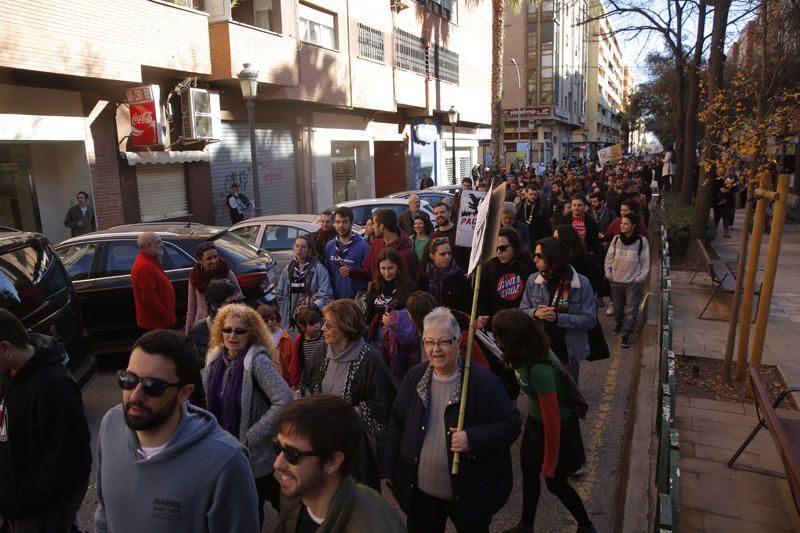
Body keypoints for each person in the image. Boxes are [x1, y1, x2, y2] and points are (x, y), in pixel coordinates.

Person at [95, 329, 260, 532]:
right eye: (128, 379)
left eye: (152, 386)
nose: (135, 396)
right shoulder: (111, 424)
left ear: (184, 393)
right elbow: (105, 514)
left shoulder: (226, 462)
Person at [384, 307, 521, 533]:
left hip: (469, 496)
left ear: (458, 343)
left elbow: (512, 423)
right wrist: (390, 469)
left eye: (443, 342)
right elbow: (397, 421)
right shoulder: (415, 376)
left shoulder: (482, 383)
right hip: (421, 496)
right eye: (429, 342)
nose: (435, 350)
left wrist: (473, 438)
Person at [493, 310, 596, 533]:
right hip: (535, 424)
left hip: (558, 429)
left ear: (511, 338)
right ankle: (526, 525)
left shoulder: (540, 369)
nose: (496, 340)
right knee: (529, 475)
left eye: (498, 335)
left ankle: (586, 525)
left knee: (555, 483)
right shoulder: (523, 353)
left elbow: (553, 419)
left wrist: (550, 461)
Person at [0, 310, 91, 533]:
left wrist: (18, 501)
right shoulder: (7, 374)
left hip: (38, 516)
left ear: (5, 349)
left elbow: (71, 465)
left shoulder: (54, 388)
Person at [202, 303, 293, 527]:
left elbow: (285, 398)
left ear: (251, 333)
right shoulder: (214, 361)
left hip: (252, 455)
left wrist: (254, 436)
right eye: (227, 329)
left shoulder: (257, 362)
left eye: (239, 331)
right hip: (222, 452)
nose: (232, 336)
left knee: (252, 510)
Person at [300, 299, 396, 490]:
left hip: (355, 453)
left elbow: (385, 406)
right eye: (323, 322)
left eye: (329, 324)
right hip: (323, 444)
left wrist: (351, 412)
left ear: (346, 328)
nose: (323, 329)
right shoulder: (322, 351)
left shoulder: (370, 361)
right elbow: (306, 382)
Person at [274, 395, 406, 533]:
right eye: (278, 447)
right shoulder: (296, 493)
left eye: (291, 454)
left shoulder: (374, 526)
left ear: (332, 462)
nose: (277, 464)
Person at [519, 237, 596, 383]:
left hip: (567, 352)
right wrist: (535, 313)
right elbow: (522, 310)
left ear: (553, 257)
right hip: (539, 350)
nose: (535, 260)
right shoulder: (532, 280)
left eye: (539, 256)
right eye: (534, 255)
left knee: (568, 396)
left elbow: (590, 319)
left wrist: (558, 318)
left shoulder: (582, 284)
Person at [604, 213, 650, 349]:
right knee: (618, 308)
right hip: (616, 280)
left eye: (626, 224)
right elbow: (609, 257)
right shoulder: (616, 239)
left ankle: (627, 333)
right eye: (622, 223)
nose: (622, 226)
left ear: (633, 226)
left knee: (631, 309)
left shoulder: (642, 242)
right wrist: (608, 273)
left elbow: (645, 262)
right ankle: (619, 322)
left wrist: (640, 278)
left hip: (633, 282)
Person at [476, 227, 536, 330]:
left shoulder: (528, 267)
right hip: (496, 328)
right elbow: (482, 298)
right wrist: (481, 315)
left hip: (522, 326)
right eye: (496, 248)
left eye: (503, 248)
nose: (499, 252)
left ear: (515, 246)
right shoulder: (489, 268)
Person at [276, 235, 333, 332]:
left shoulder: (319, 269)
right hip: (292, 319)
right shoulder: (289, 269)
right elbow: (280, 294)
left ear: (309, 250)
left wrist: (311, 305)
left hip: (311, 319)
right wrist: (284, 312)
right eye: (297, 246)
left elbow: (326, 295)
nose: (299, 249)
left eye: (303, 247)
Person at [349, 208, 419, 283]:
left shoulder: (406, 254)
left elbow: (410, 283)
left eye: (374, 224)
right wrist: (350, 272)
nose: (373, 227)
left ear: (381, 227)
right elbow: (367, 271)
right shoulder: (376, 244)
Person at [185, 242, 241, 333]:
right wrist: (187, 333)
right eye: (209, 258)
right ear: (200, 260)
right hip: (203, 326)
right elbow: (191, 308)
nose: (214, 261)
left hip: (226, 323)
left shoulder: (226, 273)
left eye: (215, 257)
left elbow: (239, 298)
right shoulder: (195, 277)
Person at [364, 248, 413, 349]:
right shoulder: (375, 286)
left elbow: (411, 316)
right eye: (383, 268)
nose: (386, 273)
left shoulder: (406, 287)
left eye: (390, 268)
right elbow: (369, 311)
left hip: (398, 336)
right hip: (377, 334)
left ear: (398, 267)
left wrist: (393, 321)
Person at [187, 278, 242, 365]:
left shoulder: (247, 328)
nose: (238, 307)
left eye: (240, 301)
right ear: (214, 306)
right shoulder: (199, 331)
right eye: (232, 302)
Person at [131, 232, 176, 331]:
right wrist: (164, 314)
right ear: (148, 246)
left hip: (160, 322)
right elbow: (148, 298)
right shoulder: (144, 266)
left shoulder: (150, 262)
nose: (162, 245)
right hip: (157, 324)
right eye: (158, 242)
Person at [324, 206, 370, 300]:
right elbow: (327, 274)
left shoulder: (364, 247)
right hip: (334, 301)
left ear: (351, 223)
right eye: (338, 222)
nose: (341, 225)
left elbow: (369, 275)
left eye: (344, 221)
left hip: (354, 302)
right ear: (334, 224)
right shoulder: (330, 246)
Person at [419, 237, 472, 315]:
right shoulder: (423, 277)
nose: (447, 257)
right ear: (432, 256)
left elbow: (467, 304)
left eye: (449, 253)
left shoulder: (460, 277)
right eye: (442, 254)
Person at [287, 307, 326, 390]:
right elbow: (295, 362)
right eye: (312, 324)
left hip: (324, 375)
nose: (317, 325)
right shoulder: (300, 340)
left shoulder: (325, 336)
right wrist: (295, 382)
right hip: (308, 377)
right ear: (303, 327)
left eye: (318, 322)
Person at [258, 304, 294, 386]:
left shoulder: (285, 337)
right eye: (266, 321)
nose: (270, 322)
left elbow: (292, 361)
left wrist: (293, 383)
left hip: (285, 380)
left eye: (272, 318)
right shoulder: (259, 339)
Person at [431, 202, 469, 272]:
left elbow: (469, 256)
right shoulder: (433, 237)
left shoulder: (461, 232)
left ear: (449, 213)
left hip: (459, 277)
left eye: (442, 212)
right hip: (440, 279)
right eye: (436, 213)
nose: (439, 215)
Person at [712, 172, 737, 238]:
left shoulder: (731, 179)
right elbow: (713, 189)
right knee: (716, 217)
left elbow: (735, 188)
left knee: (726, 217)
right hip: (718, 202)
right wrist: (719, 190)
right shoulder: (716, 179)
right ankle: (713, 231)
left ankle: (726, 232)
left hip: (727, 201)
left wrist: (728, 190)